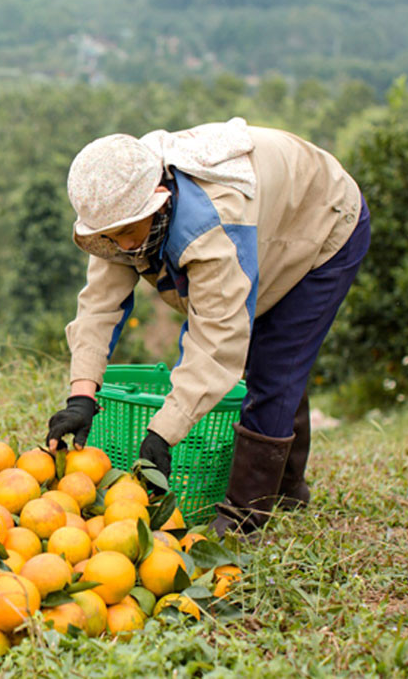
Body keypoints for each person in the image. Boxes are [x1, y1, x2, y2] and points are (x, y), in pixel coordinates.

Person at [42, 120, 367, 534]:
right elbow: (98, 307)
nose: (121, 245)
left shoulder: (213, 230)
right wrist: (81, 395)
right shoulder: (118, 201)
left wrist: (162, 434)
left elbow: (216, 346)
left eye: (126, 233)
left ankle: (246, 515)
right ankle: (287, 490)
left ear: (158, 200)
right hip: (267, 216)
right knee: (269, 360)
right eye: (109, 236)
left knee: (276, 362)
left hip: (322, 218)